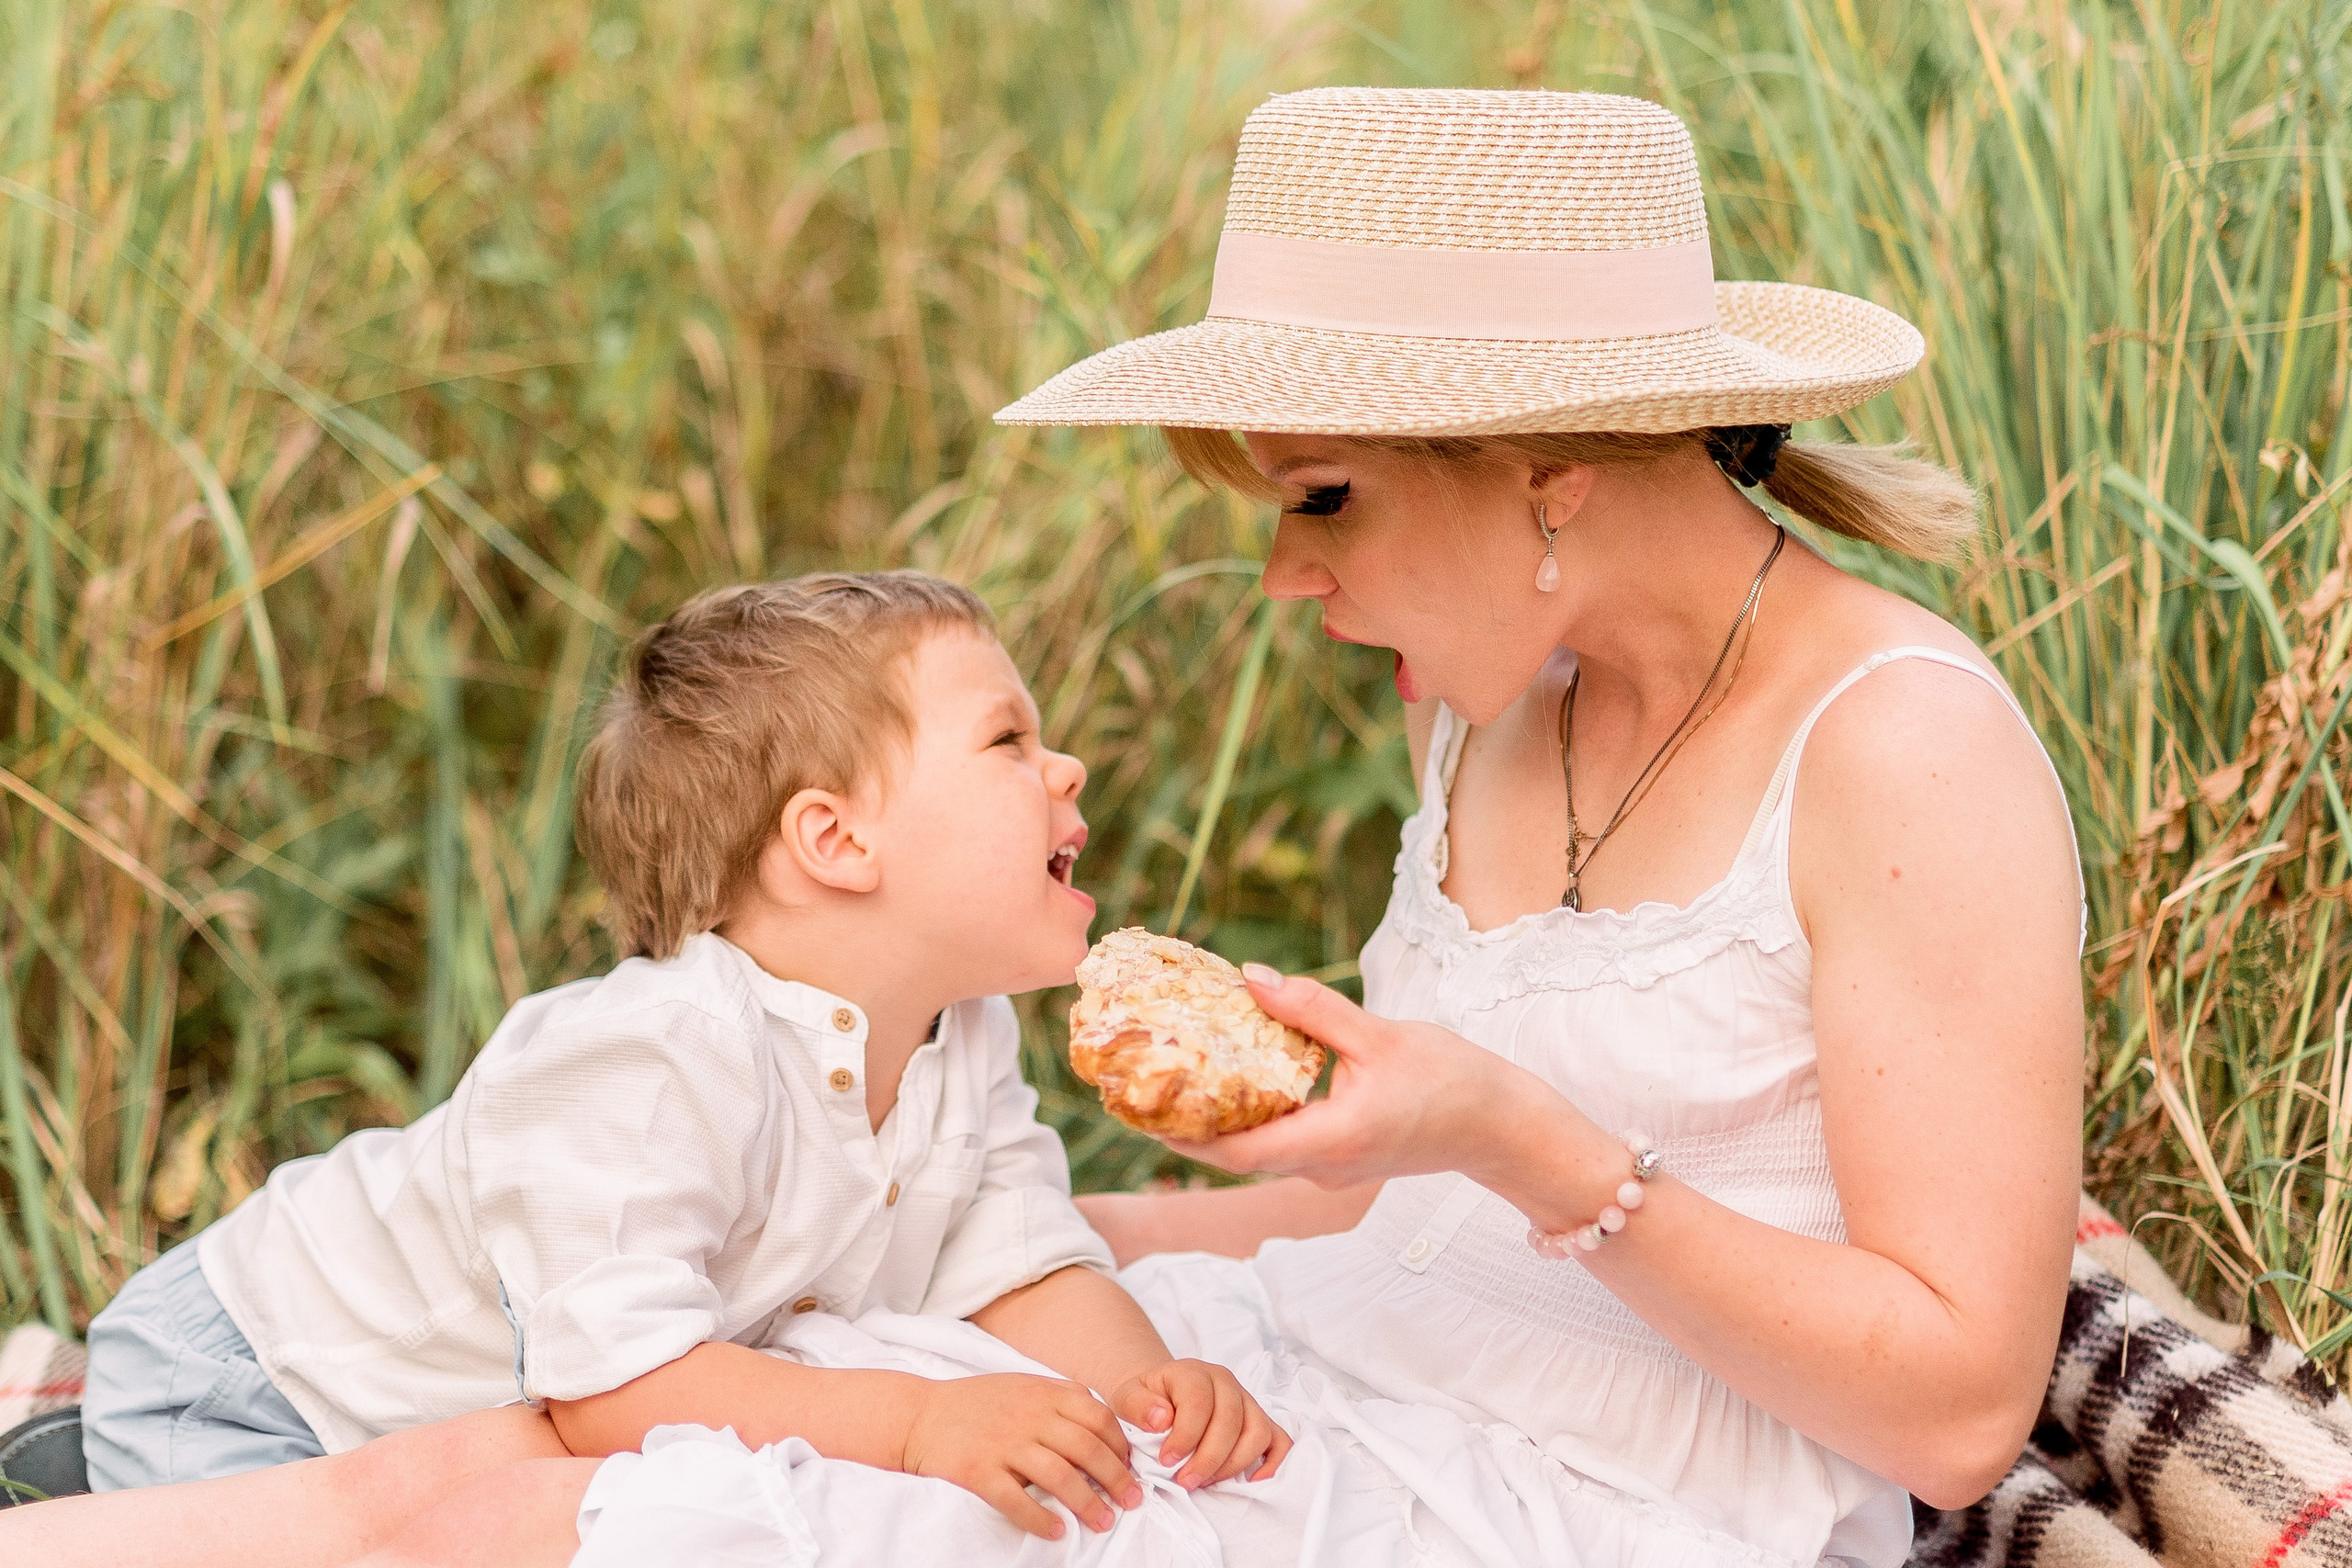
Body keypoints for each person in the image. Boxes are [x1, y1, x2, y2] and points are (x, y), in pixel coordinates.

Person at [12, 570, 1284, 1564]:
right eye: (1008, 740)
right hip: (262, 1384)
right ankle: (66, 1454)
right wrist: (918, 1422)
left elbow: (1017, 1259)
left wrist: (1142, 1385)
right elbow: (616, 1391)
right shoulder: (655, 1056)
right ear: (835, 840)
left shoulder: (964, 1031)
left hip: (467, 1425)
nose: (1066, 767)